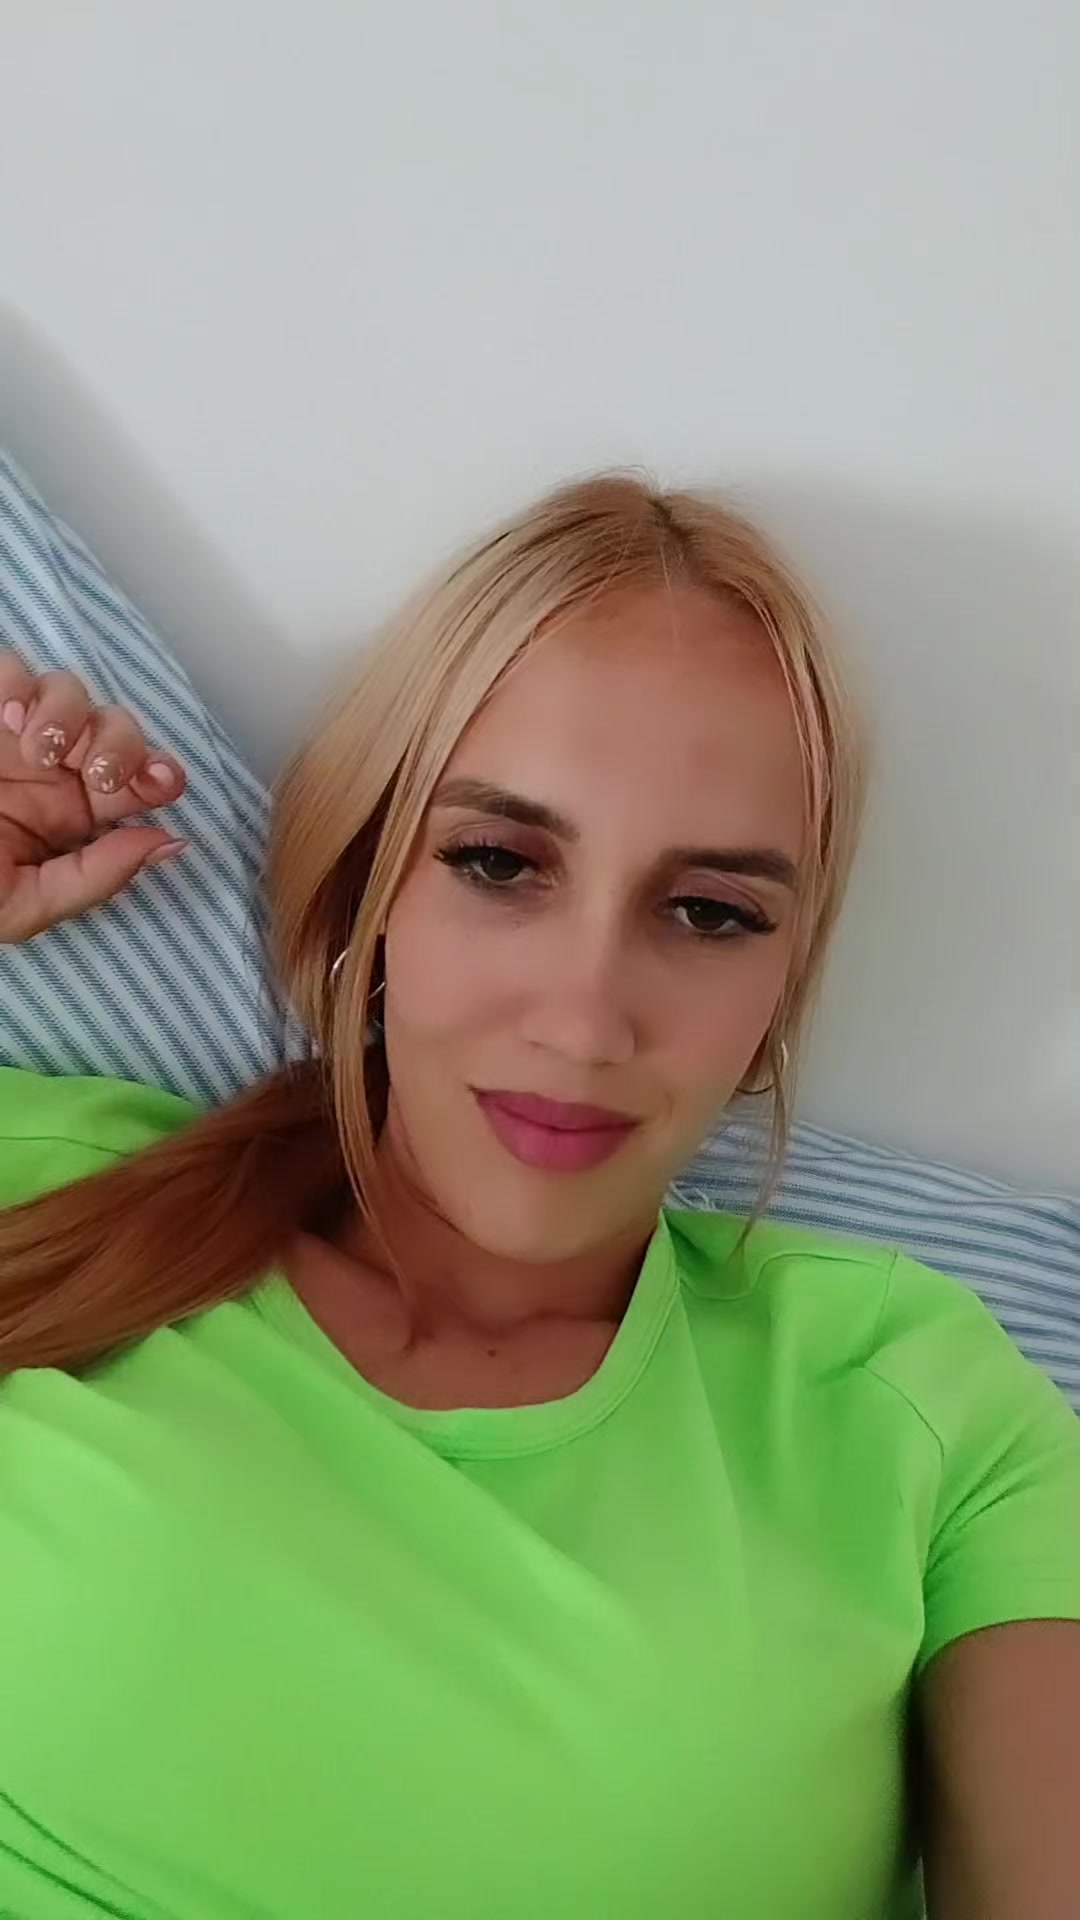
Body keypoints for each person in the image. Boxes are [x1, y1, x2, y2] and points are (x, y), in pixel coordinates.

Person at [0, 474, 1077, 1920]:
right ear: (366, 889)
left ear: (781, 989)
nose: (583, 1021)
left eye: (710, 912)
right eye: (500, 863)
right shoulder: (48, 1190)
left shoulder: (924, 1412)